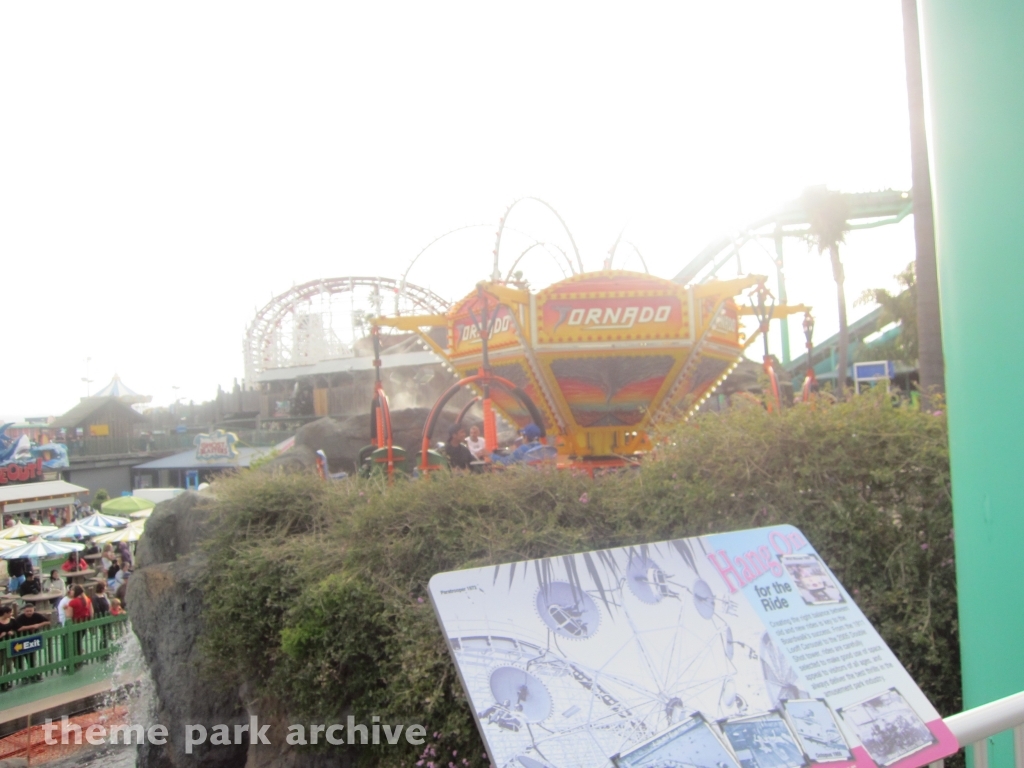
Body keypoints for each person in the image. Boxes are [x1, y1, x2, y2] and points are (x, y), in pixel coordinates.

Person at [491, 423, 556, 465]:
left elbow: (505, 462)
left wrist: (490, 455)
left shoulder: (523, 449)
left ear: (526, 437)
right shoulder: (545, 448)